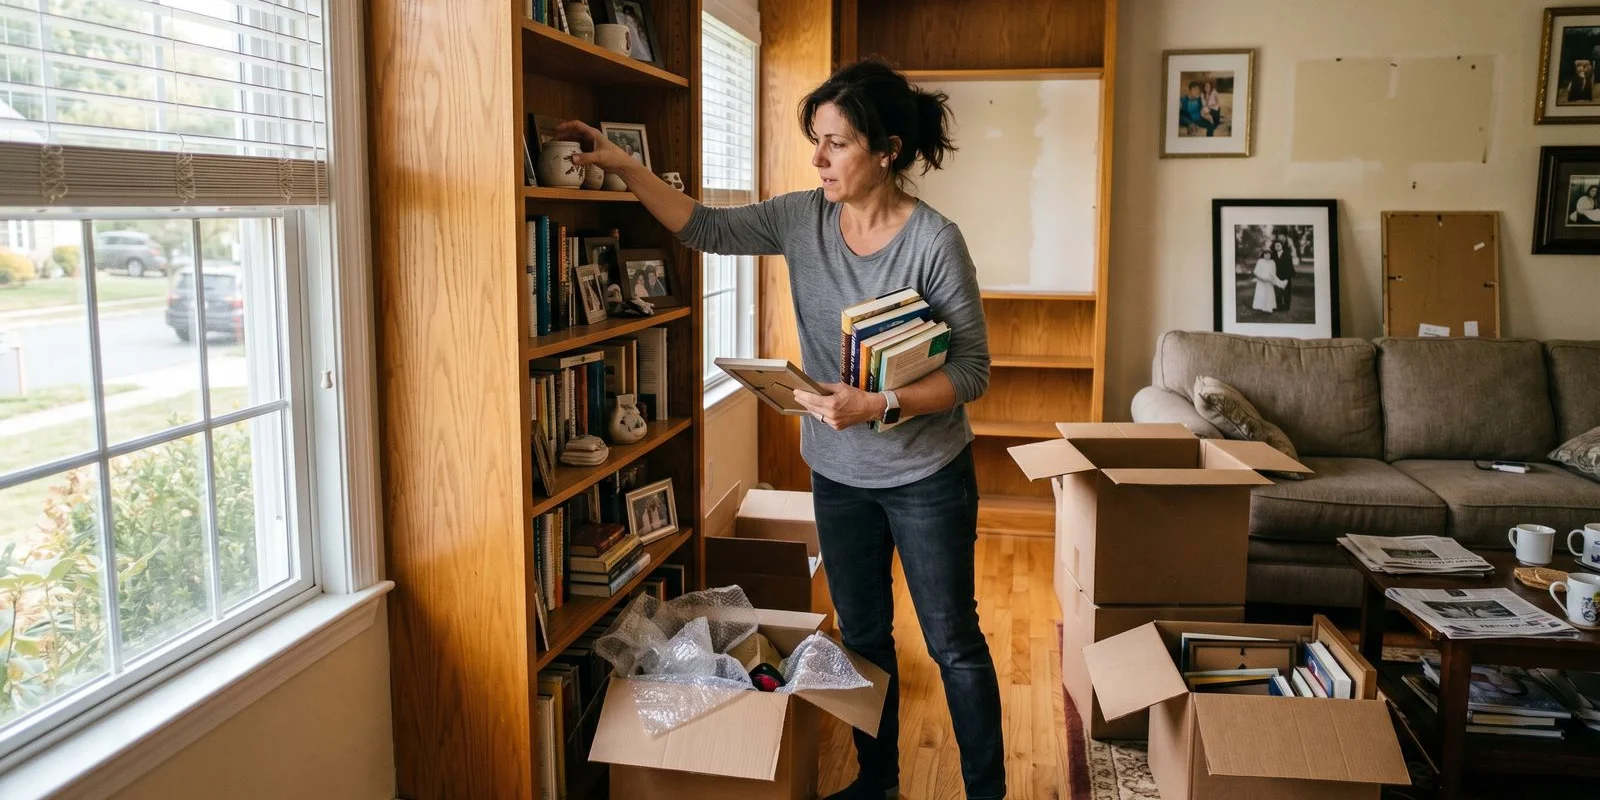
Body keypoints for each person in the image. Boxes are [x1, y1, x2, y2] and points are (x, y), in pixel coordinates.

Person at [558, 56, 1001, 800]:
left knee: (952, 644)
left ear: (886, 150)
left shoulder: (933, 241)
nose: (819, 159)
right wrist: (625, 165)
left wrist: (879, 405)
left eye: (837, 143)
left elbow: (974, 373)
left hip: (926, 475)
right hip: (838, 474)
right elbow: (701, 225)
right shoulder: (802, 217)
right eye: (816, 140)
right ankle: (878, 784)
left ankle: (989, 792)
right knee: (861, 639)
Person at [1251, 246, 1284, 314]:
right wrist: (1261, 278)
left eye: (1269, 254)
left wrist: (1272, 280)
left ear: (1270, 255)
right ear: (1263, 255)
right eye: (1265, 254)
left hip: (1269, 280)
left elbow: (1273, 273)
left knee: (1269, 294)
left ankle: (1268, 308)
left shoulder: (1272, 262)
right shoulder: (1260, 261)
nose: (1267, 255)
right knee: (1261, 293)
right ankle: (1260, 306)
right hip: (1261, 280)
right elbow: (1256, 271)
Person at [1270, 238, 1294, 312]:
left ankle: (1286, 307)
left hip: (1286, 276)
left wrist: (1287, 278)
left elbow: (1290, 267)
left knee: (1286, 292)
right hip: (1276, 276)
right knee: (1277, 292)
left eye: (1278, 245)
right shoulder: (1273, 255)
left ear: (1281, 246)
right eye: (1276, 245)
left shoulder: (1287, 254)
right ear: (1274, 247)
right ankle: (1278, 307)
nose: (1277, 246)